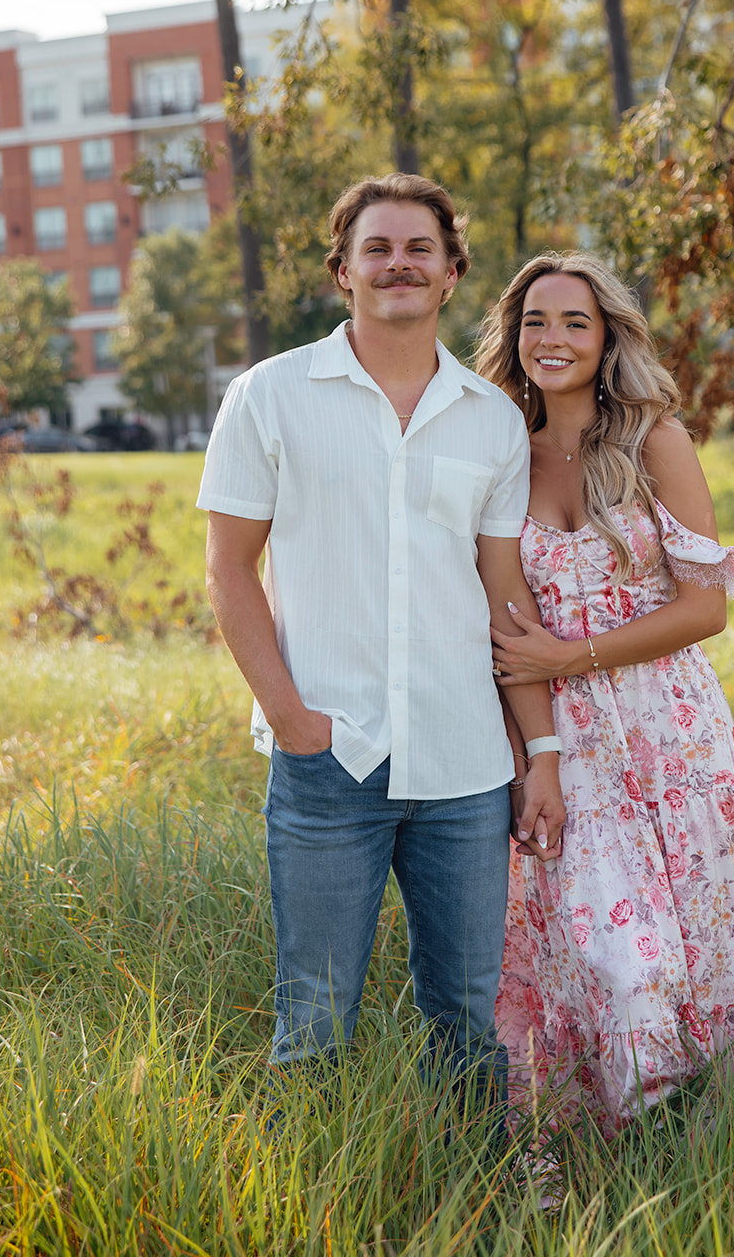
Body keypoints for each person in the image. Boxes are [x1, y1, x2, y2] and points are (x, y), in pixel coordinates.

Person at [197, 173, 565, 1111]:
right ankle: (314, 1209)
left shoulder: (491, 421)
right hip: (328, 757)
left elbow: (504, 595)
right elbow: (230, 570)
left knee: (466, 1020)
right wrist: (291, 717)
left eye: (417, 249)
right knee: (313, 1021)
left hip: (466, 766)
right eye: (376, 248)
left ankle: (479, 1202)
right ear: (342, 273)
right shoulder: (268, 397)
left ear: (451, 274)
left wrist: (541, 753)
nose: (397, 264)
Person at [475, 252, 734, 1138]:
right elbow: (510, 636)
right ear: (513, 334)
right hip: (564, 747)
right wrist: (539, 756)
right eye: (536, 320)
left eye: (575, 321)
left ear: (608, 335)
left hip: (675, 735)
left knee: (706, 942)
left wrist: (574, 657)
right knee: (613, 955)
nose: (553, 338)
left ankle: (715, 1147)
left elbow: (705, 608)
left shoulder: (656, 442)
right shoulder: (500, 456)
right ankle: (597, 1139)